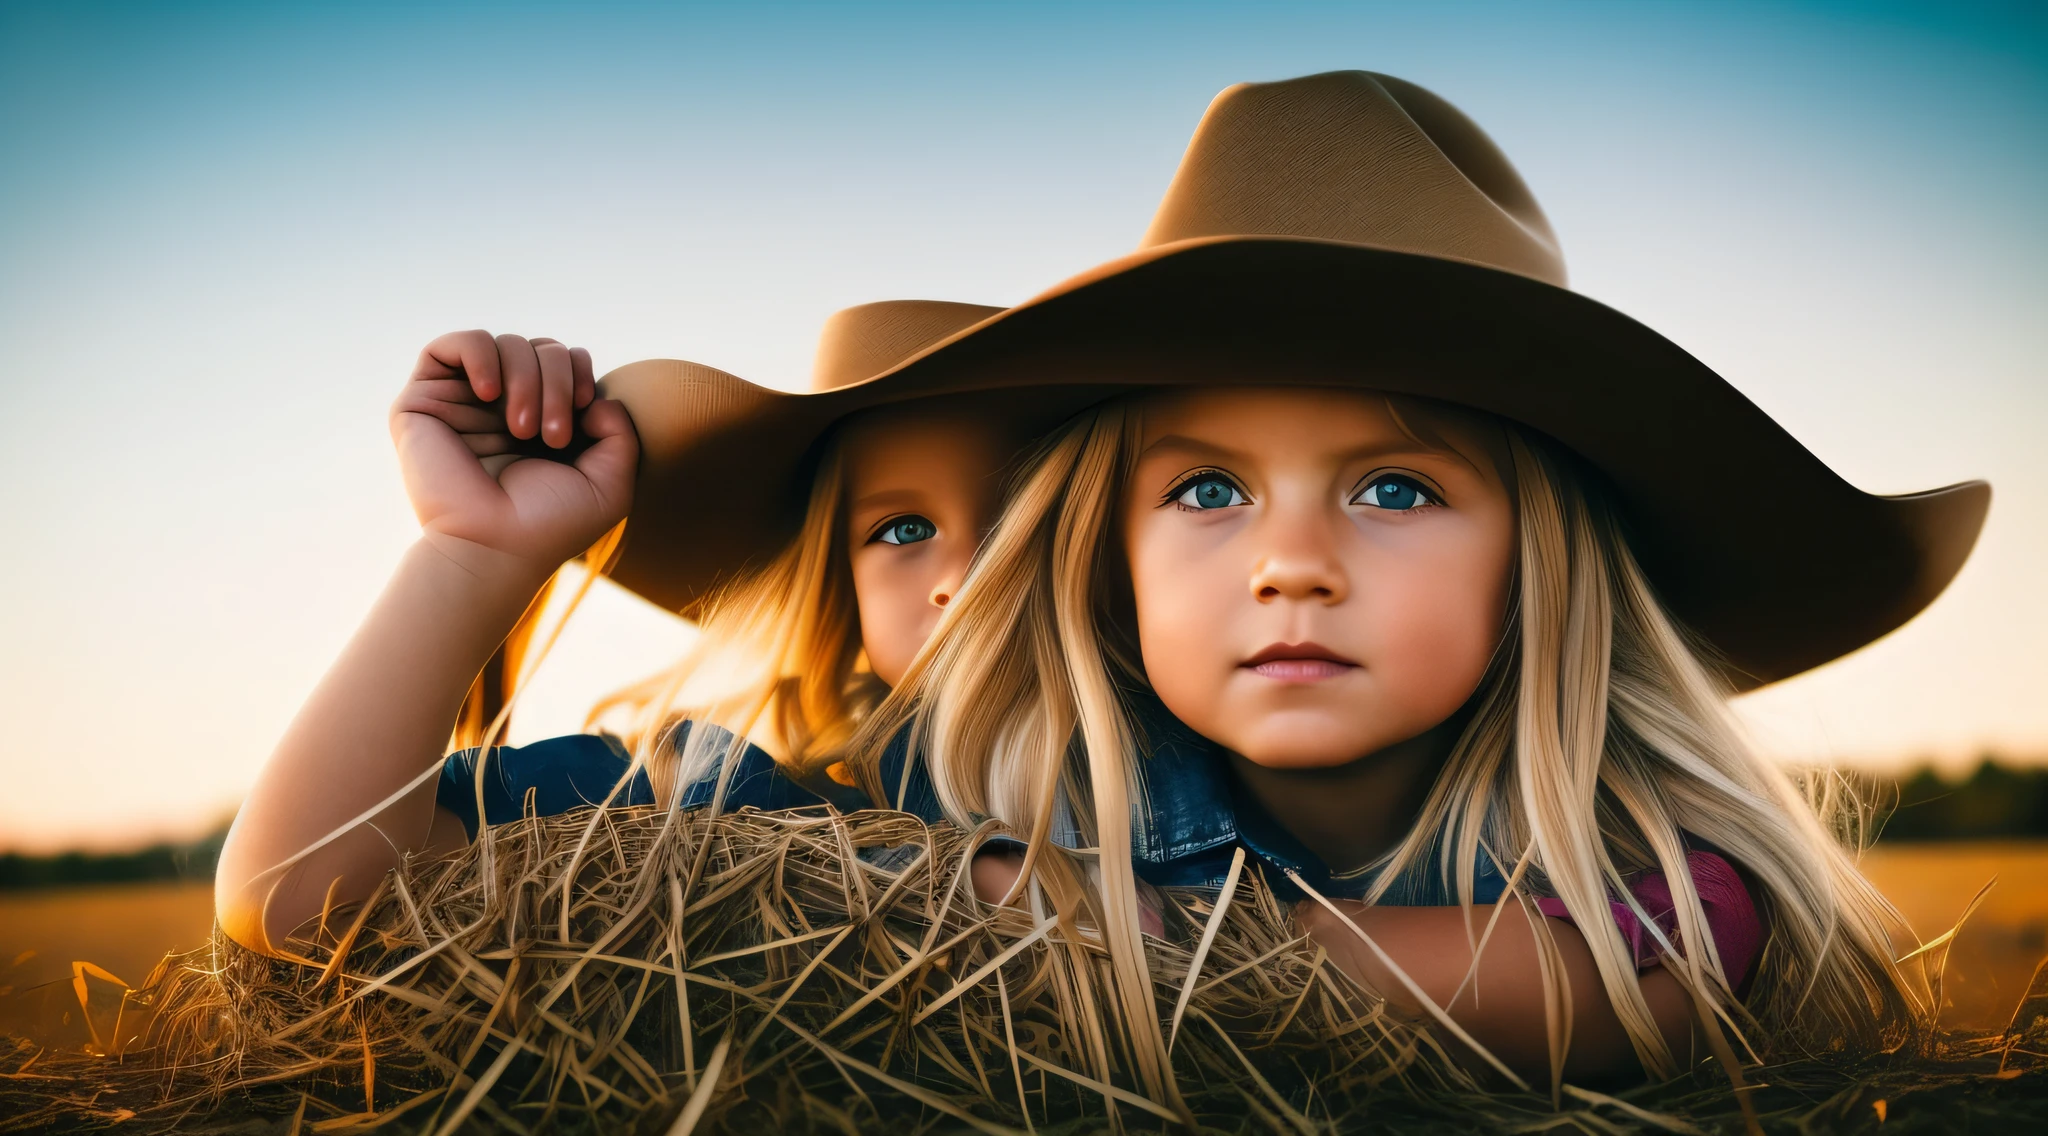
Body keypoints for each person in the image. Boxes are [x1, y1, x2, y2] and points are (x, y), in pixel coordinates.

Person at [815, 70, 1990, 1099]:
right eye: (1208, 492)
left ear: (1536, 565)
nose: (1289, 565)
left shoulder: (1647, 873)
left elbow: (1641, 981)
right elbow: (678, 818)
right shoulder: (1005, 768)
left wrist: (1070, 922)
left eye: (1392, 491)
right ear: (1104, 561)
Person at [214, 299, 1046, 955]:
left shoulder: (1179, 765)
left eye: (1028, 520)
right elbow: (300, 894)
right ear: (838, 593)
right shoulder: (726, 799)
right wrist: (475, 553)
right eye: (902, 530)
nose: (969, 578)